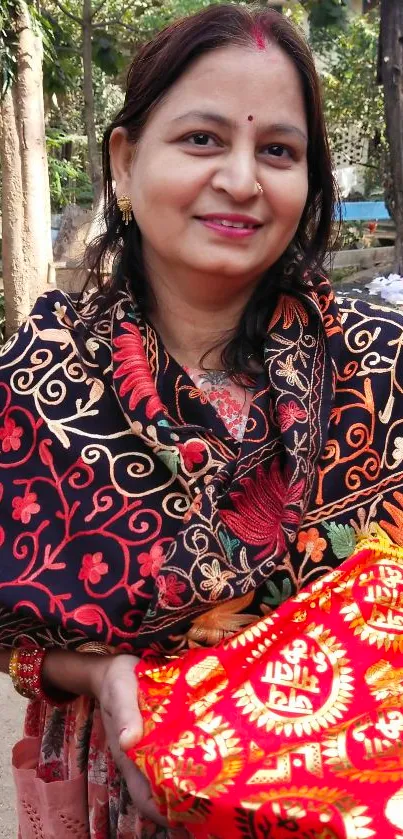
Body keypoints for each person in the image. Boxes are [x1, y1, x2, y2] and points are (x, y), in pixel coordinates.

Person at [0, 3, 402, 837]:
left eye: (279, 151)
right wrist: (104, 670)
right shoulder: (39, 384)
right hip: (131, 790)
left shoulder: (381, 362)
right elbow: (14, 630)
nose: (244, 180)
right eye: (203, 140)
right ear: (122, 159)